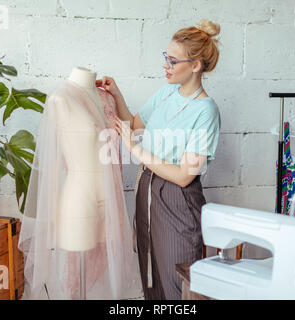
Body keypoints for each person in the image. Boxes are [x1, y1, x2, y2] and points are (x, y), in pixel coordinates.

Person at [97, 19, 222, 300]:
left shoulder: (206, 111)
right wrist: (115, 93)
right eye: (165, 57)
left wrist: (137, 151)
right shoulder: (166, 94)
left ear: (195, 65)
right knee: (150, 278)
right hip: (147, 190)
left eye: (173, 60)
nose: (165, 65)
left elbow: (184, 176)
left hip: (178, 199)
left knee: (176, 282)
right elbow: (133, 124)